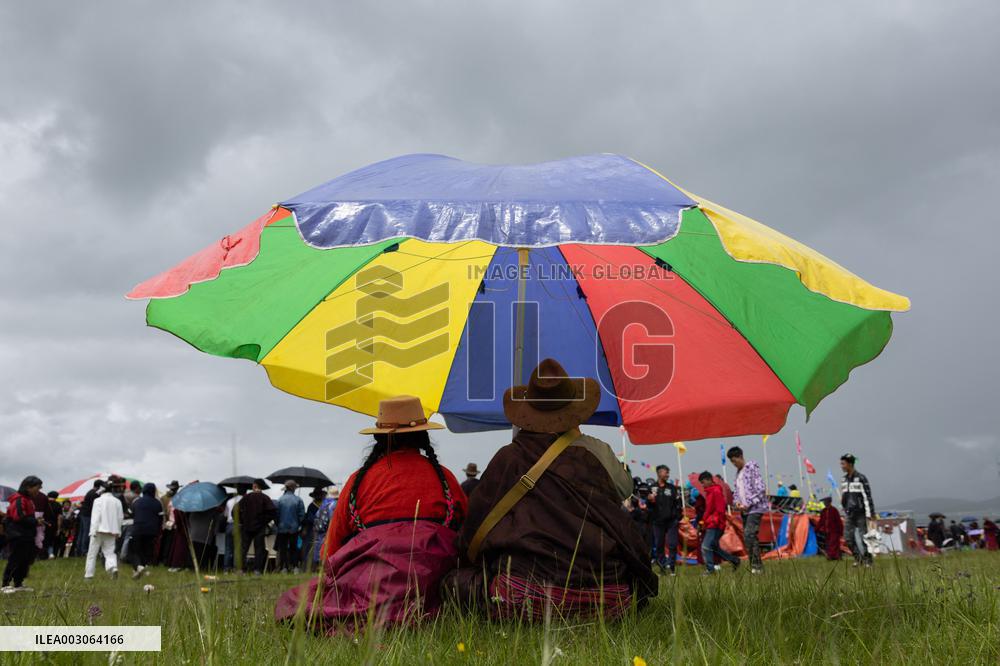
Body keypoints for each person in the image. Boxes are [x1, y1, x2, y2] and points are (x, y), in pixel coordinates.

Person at [442, 359, 656, 620]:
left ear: (528, 411)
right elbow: (624, 489)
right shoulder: (596, 451)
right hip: (609, 598)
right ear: (573, 409)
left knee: (454, 583)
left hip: (522, 596)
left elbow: (474, 528)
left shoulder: (509, 457)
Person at [275, 395, 468, 631]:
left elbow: (331, 550)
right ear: (422, 435)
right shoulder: (445, 477)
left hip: (373, 591)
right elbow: (466, 532)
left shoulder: (359, 481)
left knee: (301, 599)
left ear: (379, 437)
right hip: (434, 592)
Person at [728, 446, 768, 574]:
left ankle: (757, 566)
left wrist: (749, 503)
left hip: (755, 508)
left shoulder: (751, 468)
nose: (734, 464)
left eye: (734, 461)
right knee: (747, 537)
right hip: (744, 510)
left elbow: (760, 488)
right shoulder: (738, 474)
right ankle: (754, 566)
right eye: (732, 462)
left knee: (749, 534)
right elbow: (737, 492)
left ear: (740, 456)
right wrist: (737, 503)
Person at [2, 476, 44, 593]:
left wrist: (36, 521)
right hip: (18, 535)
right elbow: (19, 517)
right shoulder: (19, 499)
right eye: (37, 488)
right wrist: (36, 521)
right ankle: (5, 584)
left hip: (26, 535)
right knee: (15, 559)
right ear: (28, 487)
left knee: (25, 561)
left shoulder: (28, 500)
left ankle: (18, 583)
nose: (38, 491)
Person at [699, 472, 739, 574]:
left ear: (709, 480)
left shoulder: (716, 491)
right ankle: (734, 560)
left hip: (715, 524)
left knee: (705, 546)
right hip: (711, 523)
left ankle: (710, 569)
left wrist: (713, 521)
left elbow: (720, 510)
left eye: (703, 482)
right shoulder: (710, 492)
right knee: (713, 547)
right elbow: (709, 509)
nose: (702, 485)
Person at [840, 453, 875, 567]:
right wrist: (844, 506)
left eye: (843, 464)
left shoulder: (861, 478)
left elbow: (867, 496)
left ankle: (868, 561)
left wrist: (871, 513)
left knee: (864, 537)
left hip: (861, 513)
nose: (841, 466)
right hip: (849, 513)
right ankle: (858, 558)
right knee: (847, 538)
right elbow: (844, 496)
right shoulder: (844, 479)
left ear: (850, 464)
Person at [237, 479, 276, 575]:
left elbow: (235, 510)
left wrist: (242, 521)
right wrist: (263, 521)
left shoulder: (246, 497)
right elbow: (272, 512)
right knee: (259, 549)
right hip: (259, 527)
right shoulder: (265, 498)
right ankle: (257, 570)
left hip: (246, 526)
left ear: (254, 486)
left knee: (243, 548)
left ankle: (241, 569)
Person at [648, 464, 682, 575]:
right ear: (659, 473)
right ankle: (662, 567)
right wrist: (650, 500)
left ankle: (671, 567)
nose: (667, 475)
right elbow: (647, 505)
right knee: (659, 545)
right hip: (657, 522)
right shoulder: (651, 488)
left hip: (671, 521)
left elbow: (678, 503)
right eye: (666, 472)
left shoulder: (672, 488)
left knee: (672, 544)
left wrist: (677, 516)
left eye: (668, 473)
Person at [85, 484, 124, 579]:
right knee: (110, 552)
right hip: (112, 531)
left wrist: (93, 531)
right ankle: (113, 567)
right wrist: (118, 531)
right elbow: (120, 517)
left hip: (98, 530)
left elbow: (95, 517)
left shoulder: (97, 500)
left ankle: (89, 575)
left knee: (92, 554)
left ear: (102, 490)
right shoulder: (117, 501)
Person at [129, 483, 163, 578]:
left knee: (134, 550)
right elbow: (160, 518)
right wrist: (158, 531)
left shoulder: (137, 501)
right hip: (152, 531)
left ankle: (138, 567)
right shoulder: (158, 503)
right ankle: (142, 568)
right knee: (146, 550)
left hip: (138, 529)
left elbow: (131, 514)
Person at [275, 480, 305, 573]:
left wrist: (278, 524)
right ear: (293, 488)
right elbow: (302, 515)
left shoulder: (280, 500)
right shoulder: (298, 500)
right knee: (294, 548)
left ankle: (284, 568)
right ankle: (295, 567)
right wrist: (299, 524)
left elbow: (276, 515)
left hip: (282, 527)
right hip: (294, 528)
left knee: (283, 548)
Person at [300, 487, 326, 573]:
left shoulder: (324, 505)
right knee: (310, 550)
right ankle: (309, 568)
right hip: (312, 531)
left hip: (321, 531)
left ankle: (318, 568)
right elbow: (309, 519)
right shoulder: (311, 506)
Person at [75, 480, 102, 557]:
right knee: (86, 533)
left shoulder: (90, 492)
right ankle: (84, 550)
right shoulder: (95, 494)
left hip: (83, 514)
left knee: (82, 533)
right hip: (88, 515)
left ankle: (79, 550)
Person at [223, 486, 246, 573]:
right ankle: (236, 568)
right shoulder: (245, 500)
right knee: (238, 548)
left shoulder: (229, 501)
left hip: (229, 525)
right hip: (240, 525)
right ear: (245, 491)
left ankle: (226, 569)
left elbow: (225, 515)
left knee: (228, 548)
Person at [158, 480, 180, 565]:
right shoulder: (165, 498)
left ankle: (165, 559)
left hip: (170, 523)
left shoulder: (175, 498)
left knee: (168, 542)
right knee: (166, 542)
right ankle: (164, 559)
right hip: (167, 522)